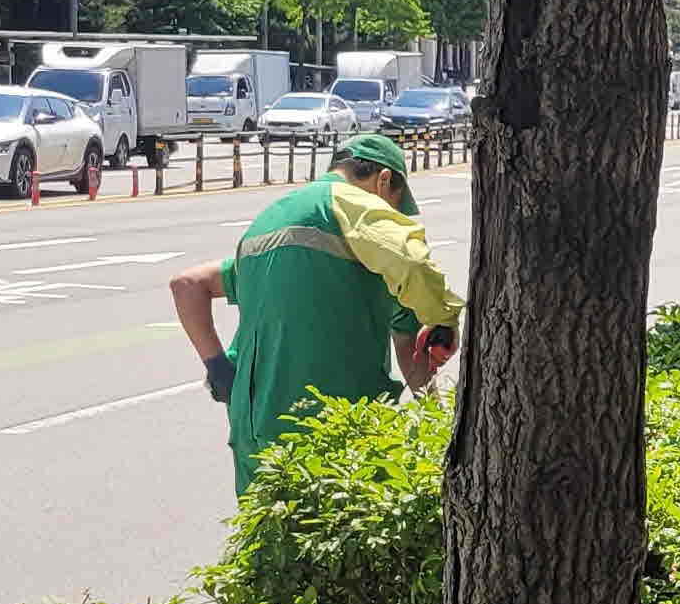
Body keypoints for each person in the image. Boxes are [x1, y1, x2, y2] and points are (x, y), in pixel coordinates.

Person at [168, 130, 462, 496]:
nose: (390, 217)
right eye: (394, 206)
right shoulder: (349, 203)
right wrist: (444, 319)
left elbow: (188, 284)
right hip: (331, 425)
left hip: (253, 424)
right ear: (384, 180)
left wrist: (219, 369)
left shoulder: (270, 220)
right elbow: (413, 262)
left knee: (266, 540)